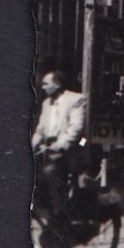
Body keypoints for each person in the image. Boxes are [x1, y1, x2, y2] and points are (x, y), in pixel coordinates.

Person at [31, 71, 87, 224]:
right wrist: (33, 144)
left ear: (58, 84)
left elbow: (75, 129)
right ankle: (43, 208)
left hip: (71, 148)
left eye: (46, 83)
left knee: (52, 172)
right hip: (48, 147)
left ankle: (60, 214)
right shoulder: (46, 103)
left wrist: (59, 146)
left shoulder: (76, 99)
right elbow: (41, 129)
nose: (43, 87)